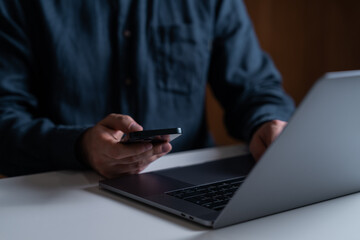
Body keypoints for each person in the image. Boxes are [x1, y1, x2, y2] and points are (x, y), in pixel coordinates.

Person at [0, 0, 294, 178]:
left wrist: (266, 124)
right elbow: (5, 117)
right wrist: (80, 147)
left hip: (194, 184)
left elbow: (255, 86)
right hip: (66, 190)